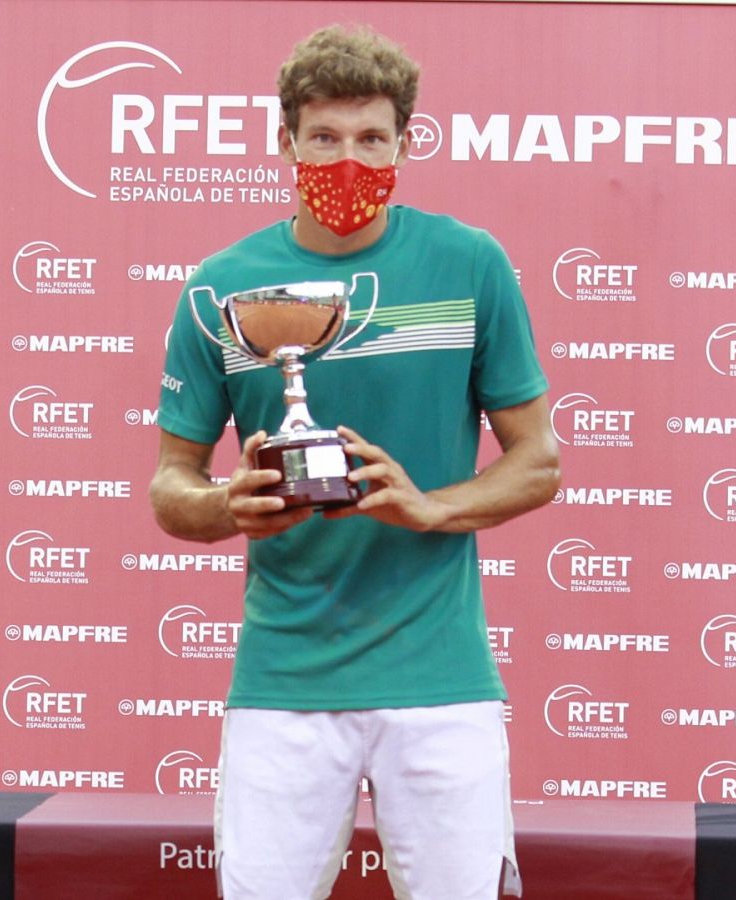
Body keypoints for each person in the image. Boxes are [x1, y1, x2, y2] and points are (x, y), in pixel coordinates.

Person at [149, 25, 559, 899]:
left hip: (442, 680)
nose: (348, 158)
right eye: (325, 137)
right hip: (283, 681)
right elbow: (170, 486)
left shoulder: (470, 265)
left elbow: (539, 462)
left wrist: (429, 506)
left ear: (406, 143)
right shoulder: (221, 288)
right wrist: (233, 504)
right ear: (285, 141)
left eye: (372, 138)